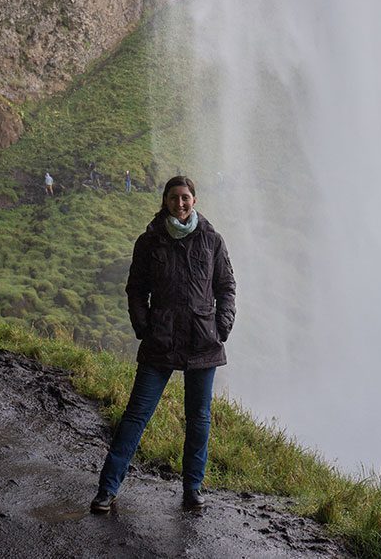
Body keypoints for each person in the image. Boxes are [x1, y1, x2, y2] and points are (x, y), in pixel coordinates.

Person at [90, 176, 236, 514]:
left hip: (203, 341)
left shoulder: (212, 241)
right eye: (174, 198)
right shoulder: (150, 241)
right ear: (165, 201)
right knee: (136, 415)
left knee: (199, 418)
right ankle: (107, 489)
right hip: (161, 339)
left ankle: (193, 489)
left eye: (185, 198)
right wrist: (144, 326)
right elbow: (136, 289)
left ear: (194, 200)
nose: (180, 204)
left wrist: (222, 327)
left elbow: (226, 287)